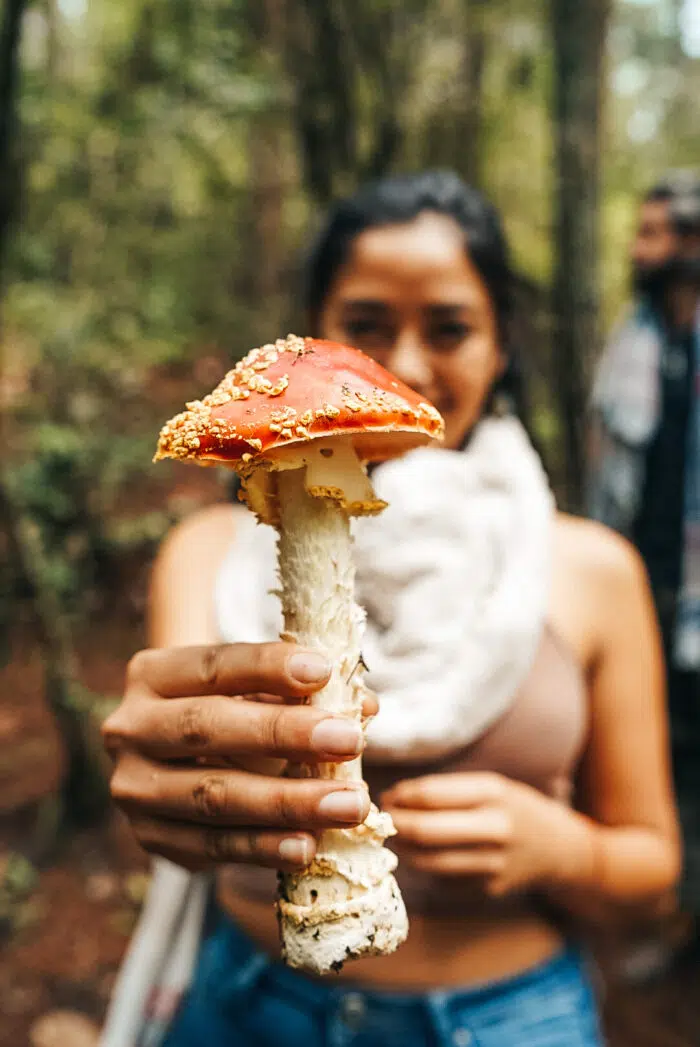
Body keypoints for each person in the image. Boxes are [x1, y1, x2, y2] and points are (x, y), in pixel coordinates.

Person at [100, 171, 680, 1047]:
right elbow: (166, 824)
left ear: (500, 347)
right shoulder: (209, 551)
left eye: (450, 328)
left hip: (508, 1017)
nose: (405, 365)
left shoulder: (593, 568)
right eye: (365, 327)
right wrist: (169, 795)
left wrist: (563, 849)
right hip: (248, 1004)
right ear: (312, 334)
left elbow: (654, 872)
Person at [588, 171, 700, 972]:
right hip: (647, 591)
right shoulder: (634, 341)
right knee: (665, 752)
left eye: (655, 233)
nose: (639, 248)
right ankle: (673, 921)